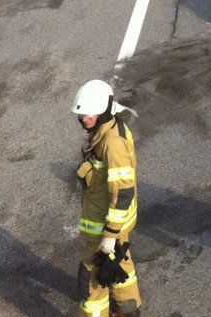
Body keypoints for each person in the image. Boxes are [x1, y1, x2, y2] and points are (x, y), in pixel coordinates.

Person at [70, 80, 142, 317]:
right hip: (114, 225)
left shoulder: (112, 143)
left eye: (89, 115)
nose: (84, 120)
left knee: (91, 280)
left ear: (102, 111)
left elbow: (122, 193)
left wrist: (109, 236)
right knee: (119, 265)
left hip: (105, 226)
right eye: (82, 115)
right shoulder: (110, 128)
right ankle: (128, 310)